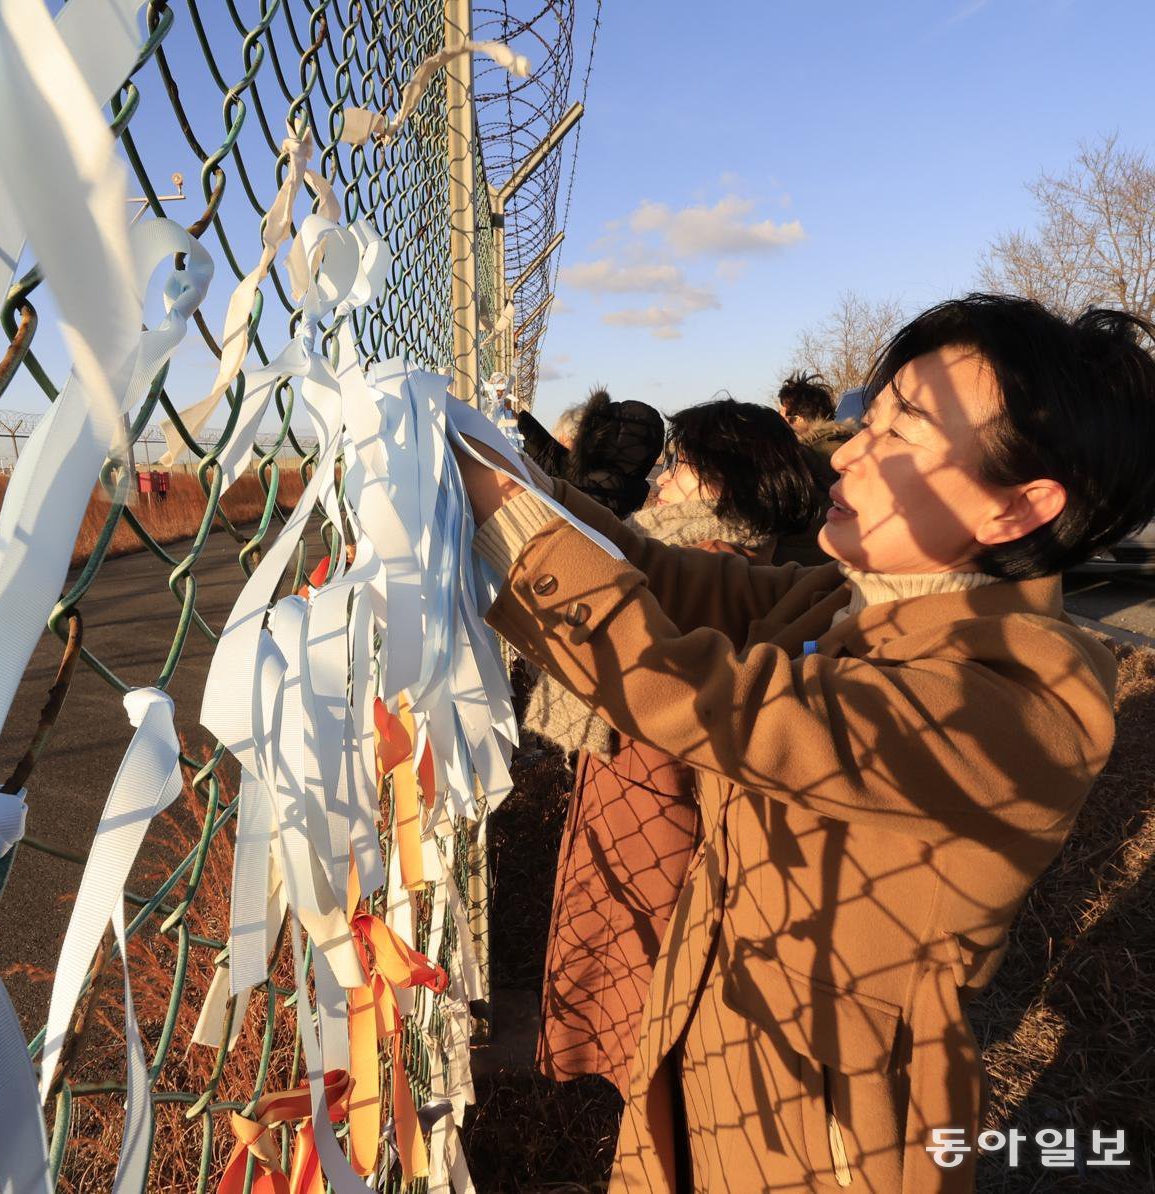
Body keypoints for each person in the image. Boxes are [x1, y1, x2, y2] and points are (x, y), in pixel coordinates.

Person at [457, 294, 1155, 1192]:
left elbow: (717, 701)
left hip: (832, 1129)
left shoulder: (1017, 702)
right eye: (874, 417)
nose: (852, 451)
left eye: (903, 433)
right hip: (714, 1031)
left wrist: (513, 532)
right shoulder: (850, 598)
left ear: (1016, 509)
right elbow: (668, 578)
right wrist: (514, 480)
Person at [530, 399, 823, 1100]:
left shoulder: (708, 559)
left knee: (630, 933)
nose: (664, 477)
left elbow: (632, 649)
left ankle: (632, 1079)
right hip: (647, 777)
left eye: (682, 466)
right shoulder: (741, 556)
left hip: (654, 782)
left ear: (724, 477)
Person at [517, 389, 665, 520]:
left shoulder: (596, 495)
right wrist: (523, 424)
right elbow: (555, 460)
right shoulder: (621, 489)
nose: (568, 454)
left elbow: (562, 470)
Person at [774, 372, 857, 567]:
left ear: (799, 419)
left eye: (784, 416)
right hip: (848, 555)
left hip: (804, 564)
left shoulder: (800, 458)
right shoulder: (853, 445)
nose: (780, 423)